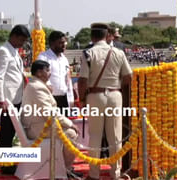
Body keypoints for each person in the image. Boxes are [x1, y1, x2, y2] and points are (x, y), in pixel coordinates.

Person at [78, 23, 132, 180]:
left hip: (95, 96)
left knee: (94, 135)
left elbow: (82, 80)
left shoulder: (88, 53)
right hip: (115, 95)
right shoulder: (118, 52)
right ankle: (115, 173)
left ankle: (94, 174)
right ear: (107, 35)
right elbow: (128, 76)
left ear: (92, 37)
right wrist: (116, 87)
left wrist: (81, 99)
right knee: (115, 136)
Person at [21, 60, 83, 178]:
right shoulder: (37, 87)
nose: (50, 73)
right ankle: (66, 170)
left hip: (39, 124)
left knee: (69, 131)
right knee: (71, 133)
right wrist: (69, 123)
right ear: (39, 73)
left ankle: (64, 168)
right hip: (37, 128)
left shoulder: (36, 85)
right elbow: (49, 113)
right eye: (48, 70)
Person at [0, 24, 30, 174]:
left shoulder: (14, 51)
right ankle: (5, 165)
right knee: (6, 134)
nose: (23, 44)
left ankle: (8, 161)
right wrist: (1, 100)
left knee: (13, 132)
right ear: (14, 36)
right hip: (8, 100)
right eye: (21, 40)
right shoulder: (3, 51)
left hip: (17, 97)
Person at [37, 31, 74, 115]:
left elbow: (68, 80)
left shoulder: (64, 59)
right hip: (49, 99)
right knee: (51, 127)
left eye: (65, 42)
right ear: (52, 43)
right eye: (61, 43)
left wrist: (71, 99)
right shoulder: (43, 57)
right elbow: (41, 77)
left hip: (64, 99)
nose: (64, 45)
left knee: (64, 126)